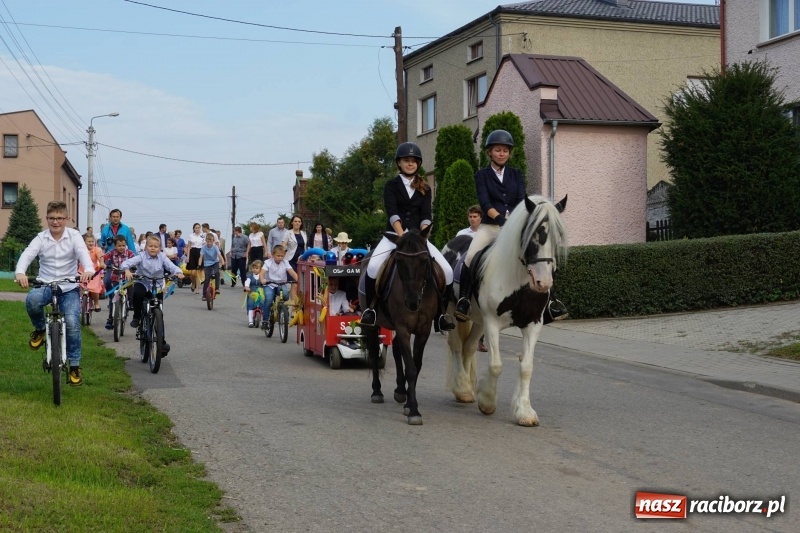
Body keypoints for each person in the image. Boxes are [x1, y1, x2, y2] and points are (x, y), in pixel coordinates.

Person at [454, 129, 568, 322]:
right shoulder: (482, 175)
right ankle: (464, 300)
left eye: (505, 150)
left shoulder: (516, 174)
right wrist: (501, 220)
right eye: (498, 150)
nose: (502, 153)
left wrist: (515, 222)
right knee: (471, 256)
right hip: (491, 227)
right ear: (489, 152)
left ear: (509, 153)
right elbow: (485, 203)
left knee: (540, 254)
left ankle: (551, 302)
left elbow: (521, 200)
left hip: (514, 228)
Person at [360, 142, 455, 332]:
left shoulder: (425, 188)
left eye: (413, 161)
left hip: (419, 239)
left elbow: (426, 215)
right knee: (372, 267)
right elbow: (392, 212)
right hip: (395, 236)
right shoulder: (391, 186)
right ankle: (371, 310)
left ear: (418, 163)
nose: (410, 164)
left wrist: (424, 233)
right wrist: (402, 236)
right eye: (406, 161)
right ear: (399, 163)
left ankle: (441, 314)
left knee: (448, 270)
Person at [15, 201, 95, 387]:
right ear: (47, 219)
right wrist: (20, 272)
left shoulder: (74, 236)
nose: (55, 222)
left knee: (74, 322)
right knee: (32, 301)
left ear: (66, 219)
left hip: (69, 287)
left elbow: (83, 254)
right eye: (52, 218)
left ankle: (74, 366)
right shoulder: (41, 238)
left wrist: (88, 269)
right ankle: (40, 329)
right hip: (45, 283)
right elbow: (28, 254)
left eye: (59, 218)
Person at [120, 235, 184, 356]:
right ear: (146, 247)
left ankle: (161, 342)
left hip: (158, 285)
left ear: (160, 248)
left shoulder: (162, 257)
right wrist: (127, 270)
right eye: (150, 246)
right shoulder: (141, 256)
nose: (153, 248)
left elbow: (171, 266)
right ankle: (137, 317)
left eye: (155, 246)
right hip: (143, 281)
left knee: (159, 313)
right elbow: (126, 263)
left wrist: (179, 273)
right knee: (138, 294)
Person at [259, 244, 298, 328]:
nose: (280, 258)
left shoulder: (285, 262)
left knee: (285, 296)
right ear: (273, 255)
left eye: (282, 256)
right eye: (278, 256)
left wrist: (298, 280)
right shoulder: (268, 262)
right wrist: (262, 280)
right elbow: (262, 273)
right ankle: (265, 321)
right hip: (270, 284)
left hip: (281, 283)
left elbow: (292, 272)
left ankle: (282, 309)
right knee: (269, 299)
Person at [102, 234, 135, 330]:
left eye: (123, 245)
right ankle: (110, 319)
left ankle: (131, 303)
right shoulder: (112, 252)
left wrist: (134, 266)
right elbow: (103, 257)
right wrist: (103, 263)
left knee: (131, 289)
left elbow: (135, 260)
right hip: (116, 277)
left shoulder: (129, 253)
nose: (121, 248)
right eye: (119, 246)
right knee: (114, 299)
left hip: (127, 277)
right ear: (115, 246)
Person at [81, 233, 105, 312]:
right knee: (80, 287)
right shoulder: (81, 249)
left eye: (92, 241)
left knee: (95, 289)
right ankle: (81, 302)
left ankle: (96, 303)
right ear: (84, 242)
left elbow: (100, 257)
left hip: (94, 272)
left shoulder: (96, 249)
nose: (91, 243)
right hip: (82, 271)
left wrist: (101, 263)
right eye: (89, 241)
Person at [198, 232, 225, 301]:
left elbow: (220, 256)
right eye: (208, 241)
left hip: (215, 262)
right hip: (207, 263)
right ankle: (204, 295)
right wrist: (199, 265)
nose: (209, 243)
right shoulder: (203, 247)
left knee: (217, 273)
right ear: (206, 241)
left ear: (213, 241)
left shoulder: (215, 247)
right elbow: (201, 257)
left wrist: (223, 264)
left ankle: (217, 289)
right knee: (207, 278)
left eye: (211, 241)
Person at [243, 259, 264, 327]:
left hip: (260, 293)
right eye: (253, 268)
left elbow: (265, 282)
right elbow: (247, 281)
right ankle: (250, 321)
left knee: (263, 304)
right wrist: (246, 287)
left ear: (261, 269)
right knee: (250, 305)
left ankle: (264, 320)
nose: (254, 269)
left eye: (257, 268)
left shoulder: (263, 276)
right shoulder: (250, 276)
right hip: (251, 292)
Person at [185, 223, 204, 292]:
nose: (197, 229)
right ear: (194, 229)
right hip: (192, 252)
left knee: (198, 271)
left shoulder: (203, 236)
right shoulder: (191, 236)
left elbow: (204, 246)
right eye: (196, 228)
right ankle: (193, 283)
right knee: (193, 273)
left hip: (200, 252)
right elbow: (189, 246)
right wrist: (188, 256)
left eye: (198, 228)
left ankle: (197, 288)